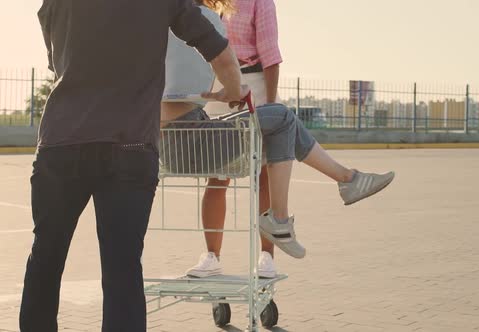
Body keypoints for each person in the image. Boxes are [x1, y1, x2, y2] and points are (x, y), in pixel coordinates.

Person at [20, 0, 244, 331]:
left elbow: (55, 60)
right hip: (130, 145)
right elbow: (218, 51)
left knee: (46, 257)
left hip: (62, 142)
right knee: (122, 268)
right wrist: (234, 89)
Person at [160, 3, 396, 268]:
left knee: (273, 133)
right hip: (193, 134)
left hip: (167, 139)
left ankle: (345, 181)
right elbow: (226, 64)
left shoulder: (158, 21)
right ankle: (288, 215)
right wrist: (235, 89)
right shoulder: (202, 20)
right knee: (282, 119)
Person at [188, 0, 285, 279]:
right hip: (217, 86)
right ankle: (211, 256)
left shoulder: (260, 2)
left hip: (255, 86)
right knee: (217, 175)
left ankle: (267, 256)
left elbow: (271, 55)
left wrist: (268, 103)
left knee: (264, 176)